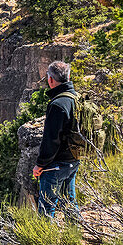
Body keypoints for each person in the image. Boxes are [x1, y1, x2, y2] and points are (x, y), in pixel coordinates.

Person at [33, 61, 82, 220]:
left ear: (51, 80)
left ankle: (44, 242)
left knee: (46, 208)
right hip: (74, 159)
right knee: (69, 202)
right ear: (68, 78)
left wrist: (40, 165)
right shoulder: (76, 98)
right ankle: (75, 234)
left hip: (56, 165)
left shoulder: (58, 104)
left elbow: (51, 140)